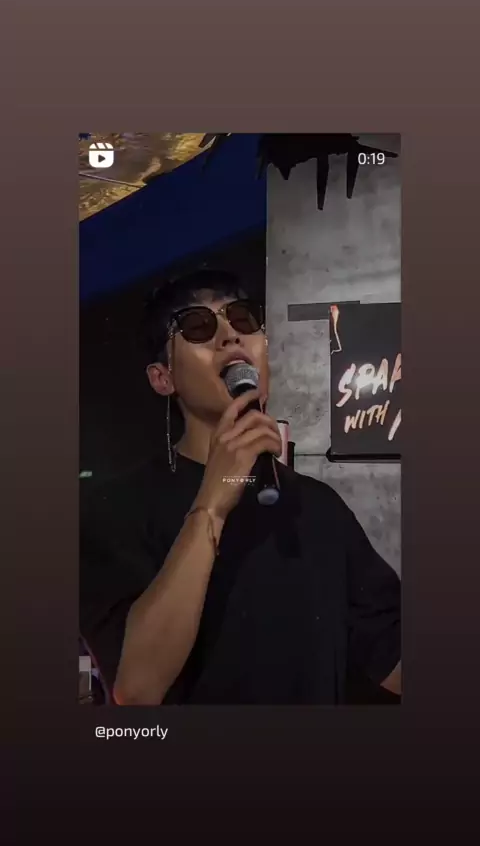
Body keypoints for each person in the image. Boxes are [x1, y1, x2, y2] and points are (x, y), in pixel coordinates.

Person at [80, 268, 401, 705]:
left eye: (243, 318)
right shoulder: (113, 509)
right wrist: (211, 505)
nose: (230, 335)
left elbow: (390, 656)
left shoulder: (318, 506)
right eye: (198, 326)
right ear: (163, 378)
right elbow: (135, 688)